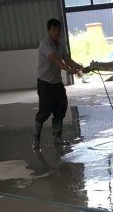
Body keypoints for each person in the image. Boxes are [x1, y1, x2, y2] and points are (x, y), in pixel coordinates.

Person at [33, 18, 84, 149]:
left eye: (59, 30)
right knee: (44, 111)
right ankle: (36, 140)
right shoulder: (45, 44)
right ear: (49, 31)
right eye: (54, 30)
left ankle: (57, 139)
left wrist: (81, 67)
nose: (57, 33)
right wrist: (70, 70)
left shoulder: (60, 44)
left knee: (61, 107)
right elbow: (57, 61)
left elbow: (67, 60)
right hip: (45, 83)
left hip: (57, 83)